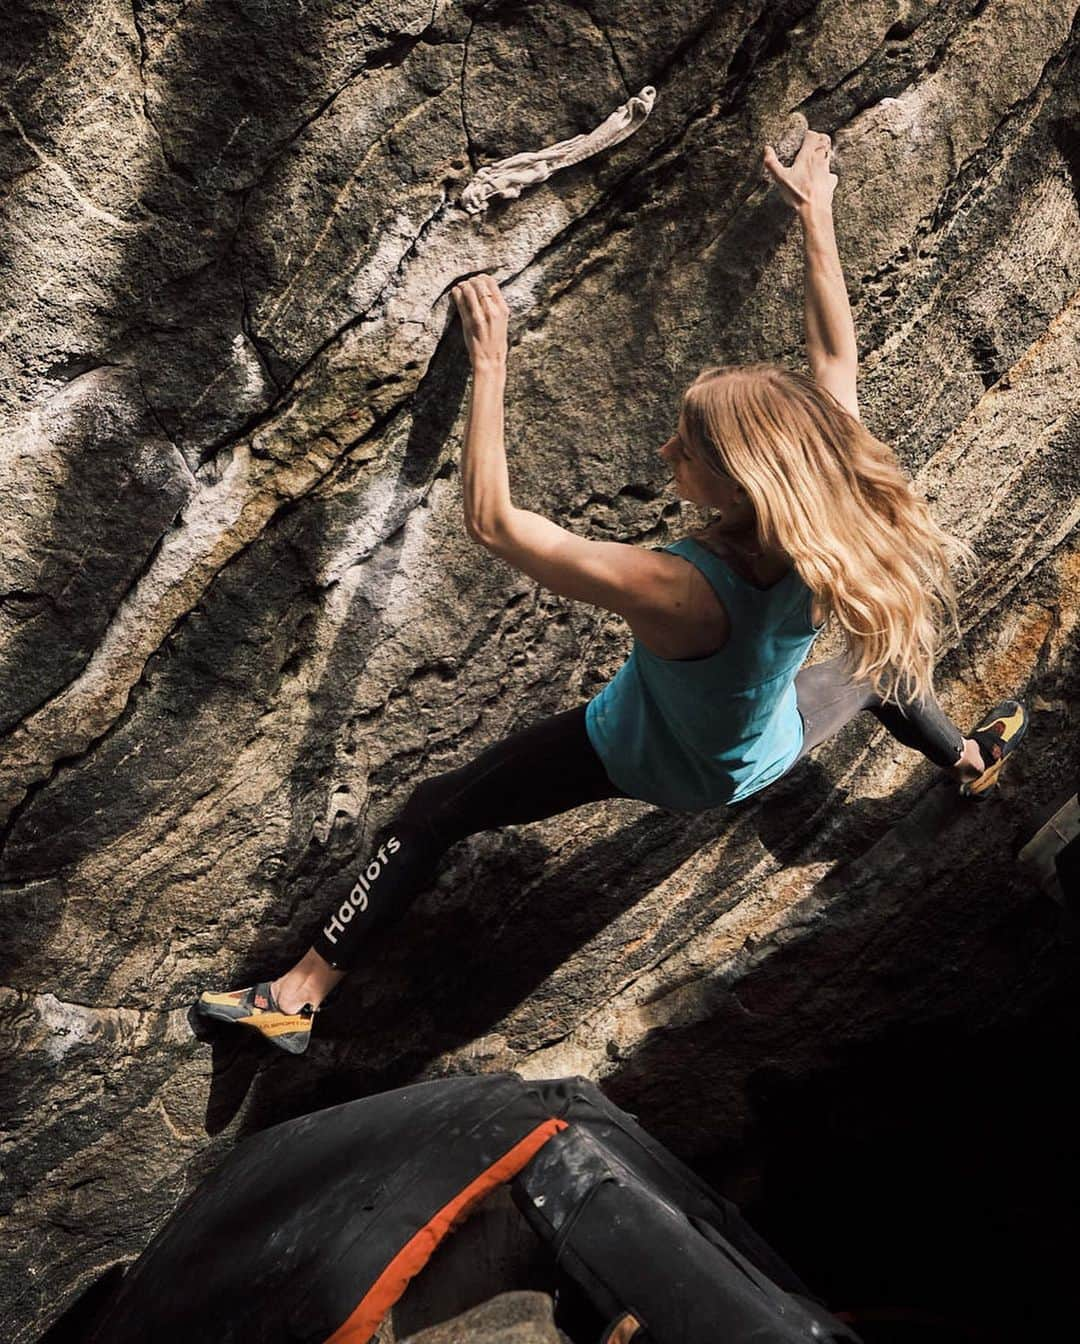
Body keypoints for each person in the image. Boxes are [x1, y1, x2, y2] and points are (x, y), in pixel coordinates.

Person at [196, 128, 1027, 1054]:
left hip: (650, 756)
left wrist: (492, 365)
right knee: (878, 659)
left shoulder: (678, 587)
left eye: (688, 450)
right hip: (766, 746)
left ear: (746, 480)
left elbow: (498, 525)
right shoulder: (820, 521)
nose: (667, 452)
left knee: (439, 808)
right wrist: (815, 213)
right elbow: (836, 359)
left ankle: (297, 997)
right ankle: (967, 761)